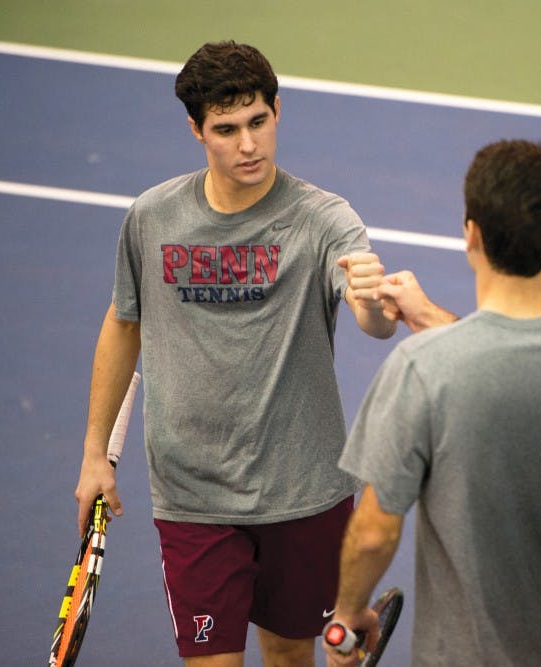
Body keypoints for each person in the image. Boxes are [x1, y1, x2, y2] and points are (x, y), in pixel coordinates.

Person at [73, 41, 397, 666]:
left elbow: (373, 323)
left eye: (258, 122)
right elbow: (122, 323)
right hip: (194, 496)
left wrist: (375, 302)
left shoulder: (325, 220)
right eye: (226, 129)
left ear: (277, 112)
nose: (248, 144)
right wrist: (93, 455)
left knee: (287, 655)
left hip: (303, 491)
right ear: (196, 130)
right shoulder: (152, 217)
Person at [324, 140, 541, 666]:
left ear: (471, 233)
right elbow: (514, 359)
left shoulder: (422, 370)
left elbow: (374, 534)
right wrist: (429, 315)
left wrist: (347, 614)